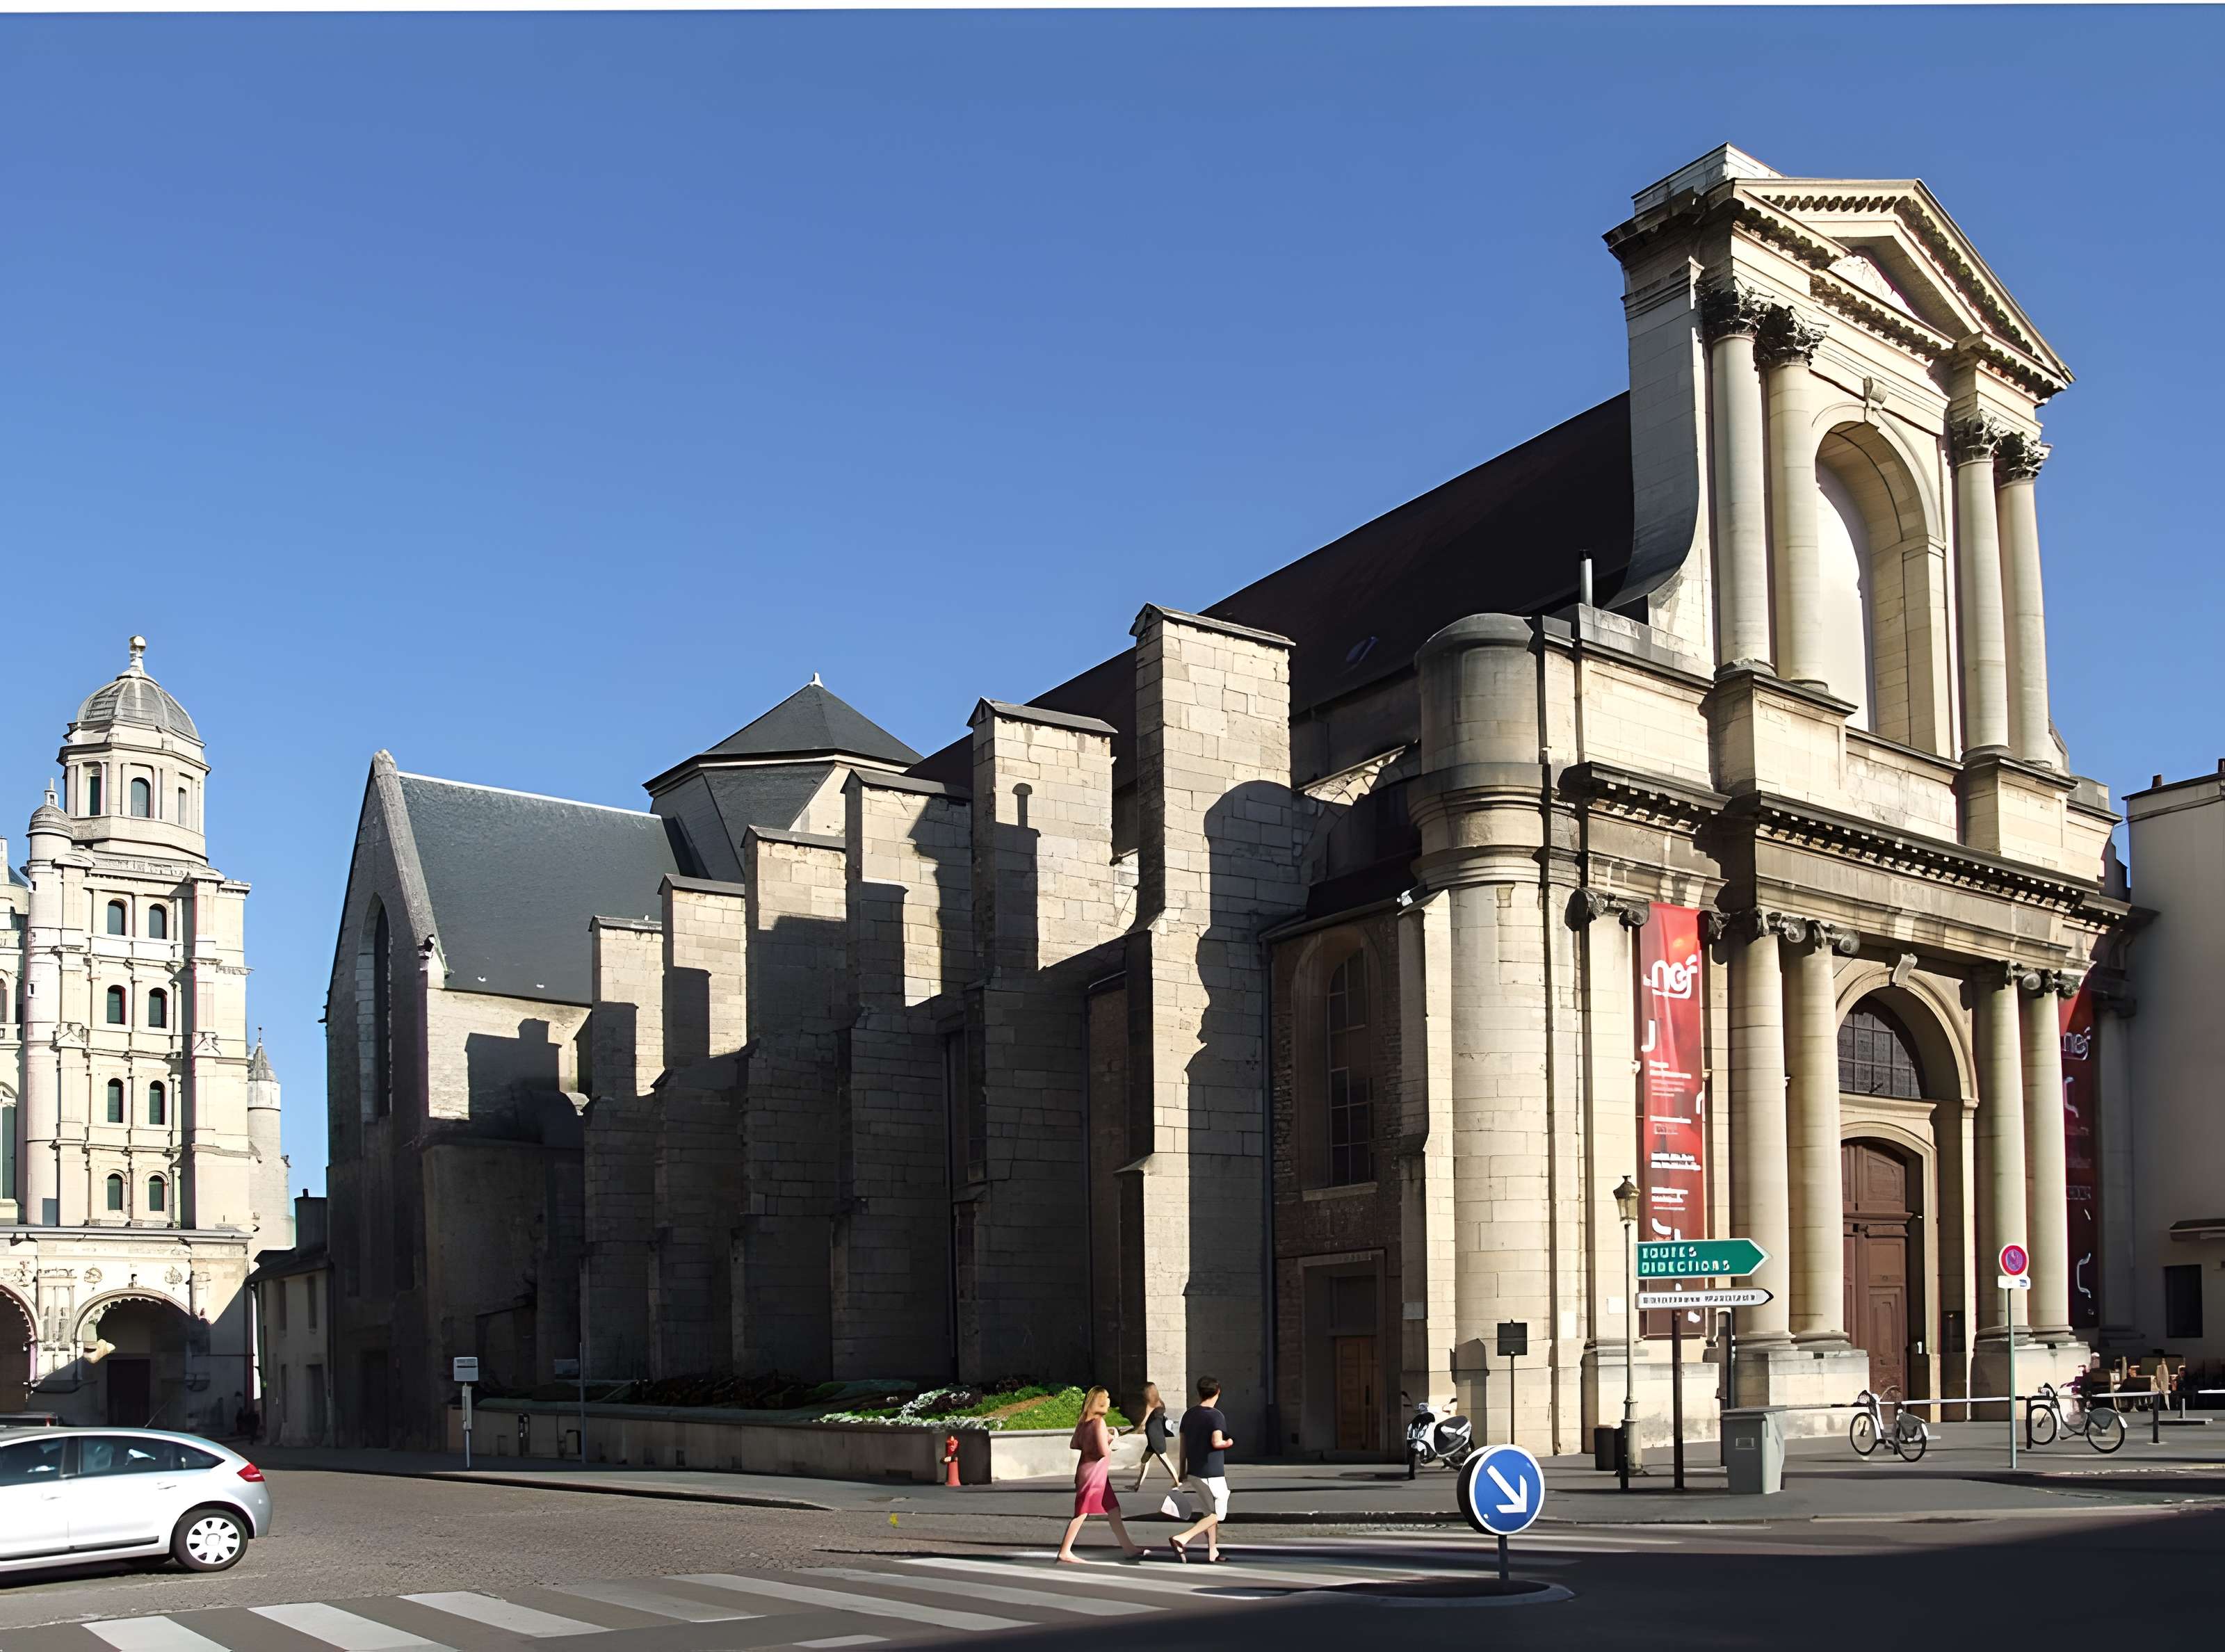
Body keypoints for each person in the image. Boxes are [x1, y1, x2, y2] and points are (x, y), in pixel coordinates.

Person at [1056, 1388, 1145, 1564]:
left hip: (1089, 1470)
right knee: (1082, 1512)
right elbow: (1103, 1452)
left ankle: (1128, 1548)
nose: (1110, 1401)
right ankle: (1065, 1551)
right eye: (1108, 1398)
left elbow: (1075, 1444)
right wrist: (1110, 1441)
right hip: (1095, 1474)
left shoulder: (1084, 1421)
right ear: (1101, 1402)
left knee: (1113, 1509)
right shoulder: (1098, 1422)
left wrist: (1105, 1439)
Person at [1167, 1375, 1232, 1564]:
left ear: (1199, 1393)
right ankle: (1183, 1538)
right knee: (1217, 1515)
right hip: (1213, 1473)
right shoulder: (1216, 1416)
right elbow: (1217, 1442)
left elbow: (1183, 1446)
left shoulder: (1189, 1415)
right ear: (1218, 1392)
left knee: (1209, 1513)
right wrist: (1229, 1442)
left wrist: (1181, 1472)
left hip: (1194, 1471)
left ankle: (1213, 1552)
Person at [1131, 1382, 1174, 1490]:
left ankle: (1178, 1481)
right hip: (1155, 1436)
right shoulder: (1160, 1403)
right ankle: (1138, 1485)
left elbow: (1144, 1421)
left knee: (1165, 1461)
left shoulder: (1151, 1405)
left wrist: (1136, 1429)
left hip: (1155, 1437)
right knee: (1144, 1461)